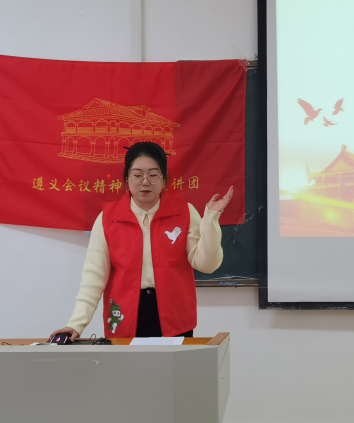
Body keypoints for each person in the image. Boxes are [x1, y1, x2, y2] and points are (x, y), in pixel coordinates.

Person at [50, 142, 232, 341]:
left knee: (174, 363)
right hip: (123, 316)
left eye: (153, 175)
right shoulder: (107, 218)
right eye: (137, 175)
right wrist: (76, 323)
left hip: (175, 318)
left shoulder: (185, 212)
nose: (145, 182)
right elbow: (93, 277)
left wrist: (211, 219)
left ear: (164, 178)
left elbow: (207, 265)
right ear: (126, 178)